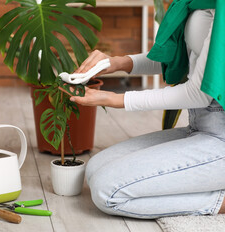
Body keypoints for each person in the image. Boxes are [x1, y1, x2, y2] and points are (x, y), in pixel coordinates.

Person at [69, 3, 225, 219]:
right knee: (95, 168)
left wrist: (115, 99)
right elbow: (178, 58)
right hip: (202, 127)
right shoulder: (197, 3)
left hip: (221, 138)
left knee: (107, 191)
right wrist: (116, 63)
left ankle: (219, 201)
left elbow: (199, 93)